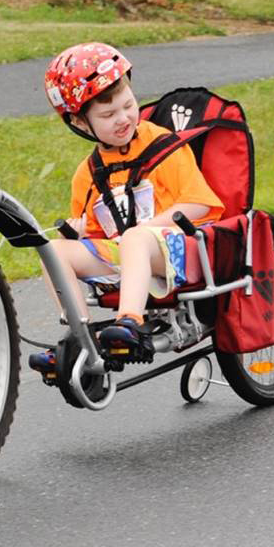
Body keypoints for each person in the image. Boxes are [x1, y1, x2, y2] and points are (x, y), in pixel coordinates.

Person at [30, 43, 223, 373]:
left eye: (129, 105)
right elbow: (96, 236)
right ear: (79, 123)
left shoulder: (164, 145)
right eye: (107, 115)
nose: (123, 119)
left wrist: (146, 231)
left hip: (180, 253)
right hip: (127, 255)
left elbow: (200, 204)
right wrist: (78, 235)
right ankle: (80, 337)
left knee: (134, 238)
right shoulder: (88, 174)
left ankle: (129, 324)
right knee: (53, 250)